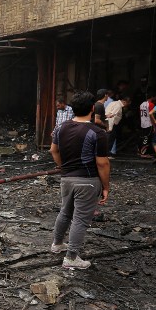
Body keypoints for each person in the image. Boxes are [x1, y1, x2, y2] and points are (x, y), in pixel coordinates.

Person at [50, 91, 110, 269]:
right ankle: (71, 258)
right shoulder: (97, 132)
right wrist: (106, 186)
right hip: (88, 181)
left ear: (72, 108)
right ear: (93, 108)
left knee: (65, 212)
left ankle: (57, 244)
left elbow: (53, 150)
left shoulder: (61, 127)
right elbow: (103, 163)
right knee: (81, 219)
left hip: (67, 179)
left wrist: (63, 167)